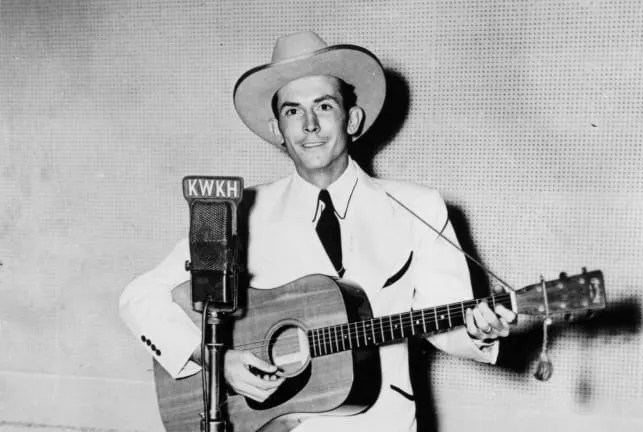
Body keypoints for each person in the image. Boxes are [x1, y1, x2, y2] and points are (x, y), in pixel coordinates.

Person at [119, 31, 517, 432]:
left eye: (324, 106)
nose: (310, 125)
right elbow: (139, 297)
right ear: (278, 129)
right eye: (293, 111)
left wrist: (479, 331)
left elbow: (448, 324)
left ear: (353, 118)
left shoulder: (419, 207)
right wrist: (216, 362)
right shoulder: (237, 211)